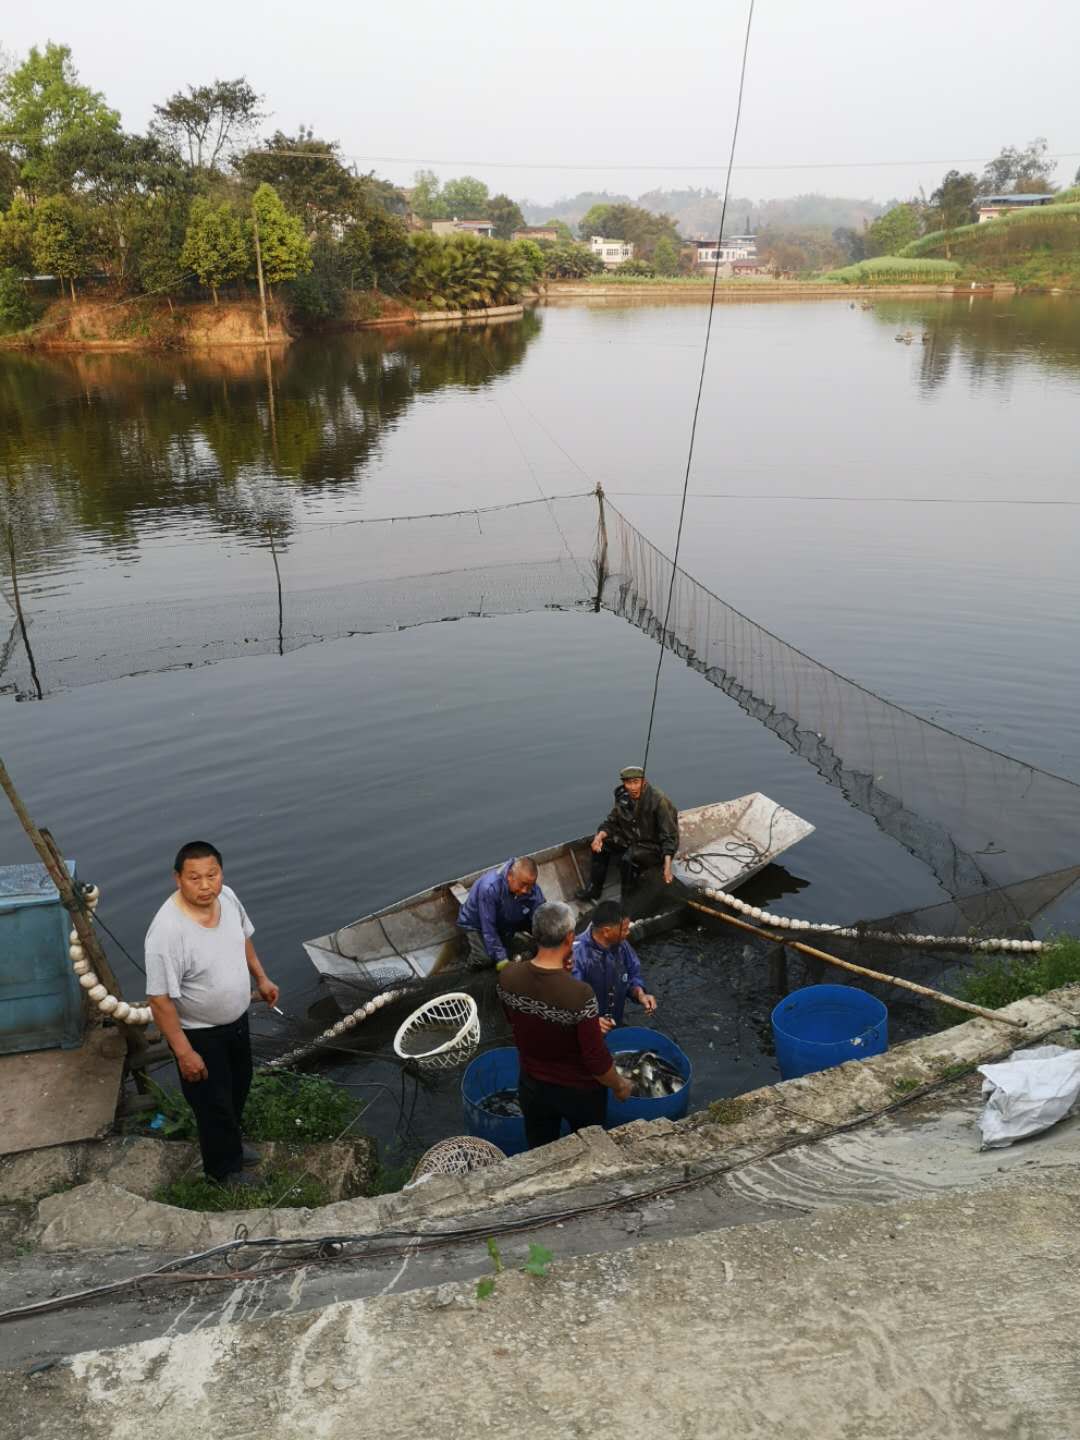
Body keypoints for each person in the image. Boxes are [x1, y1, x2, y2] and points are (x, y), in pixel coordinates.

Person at [145, 841, 279, 1188]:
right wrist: (184, 1051)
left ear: (221, 873)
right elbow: (159, 1000)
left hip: (236, 1022)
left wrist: (261, 978)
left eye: (212, 875)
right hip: (198, 1033)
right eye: (194, 878)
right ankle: (223, 1172)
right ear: (178, 879)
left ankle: (230, 1144)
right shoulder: (167, 932)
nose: (205, 886)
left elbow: (243, 939)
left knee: (238, 1087)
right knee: (212, 1102)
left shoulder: (228, 898)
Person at [498, 901, 632, 1149]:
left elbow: (517, 1019)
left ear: (536, 934)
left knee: (540, 1150)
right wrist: (620, 1085)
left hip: (532, 1085)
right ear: (570, 938)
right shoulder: (580, 994)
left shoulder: (507, 976)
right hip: (579, 1093)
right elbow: (595, 1060)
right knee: (589, 1151)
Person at [576, 765, 679, 902]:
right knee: (603, 844)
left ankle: (628, 901)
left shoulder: (658, 801)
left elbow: (669, 837)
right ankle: (594, 889)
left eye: (636, 782)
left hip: (653, 846)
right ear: (623, 783)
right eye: (628, 783)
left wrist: (667, 867)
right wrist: (599, 837)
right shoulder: (623, 798)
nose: (632, 787)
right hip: (632, 838)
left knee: (627, 859)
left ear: (644, 782)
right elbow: (611, 823)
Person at [571, 900, 657, 1034]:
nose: (628, 932)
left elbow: (632, 974)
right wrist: (588, 1021)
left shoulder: (621, 945)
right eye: (624, 929)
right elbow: (568, 999)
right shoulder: (576, 955)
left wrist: (640, 994)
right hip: (585, 1030)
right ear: (606, 931)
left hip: (613, 1021)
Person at [457, 856, 545, 969]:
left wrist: (547, 937)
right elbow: (488, 928)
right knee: (485, 959)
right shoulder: (489, 888)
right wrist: (501, 959)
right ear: (509, 876)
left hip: (508, 916)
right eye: (522, 885)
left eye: (530, 886)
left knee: (542, 929)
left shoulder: (530, 889)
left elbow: (541, 913)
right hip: (478, 923)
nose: (526, 891)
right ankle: (471, 963)